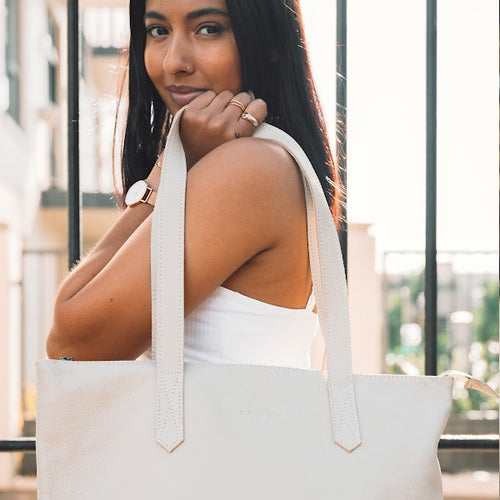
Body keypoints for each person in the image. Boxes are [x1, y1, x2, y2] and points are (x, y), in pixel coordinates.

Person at [46, 0, 342, 367]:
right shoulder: (265, 164)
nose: (174, 62)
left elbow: (71, 348)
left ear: (269, 43)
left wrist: (166, 173)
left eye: (209, 29)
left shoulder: (250, 169)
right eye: (158, 31)